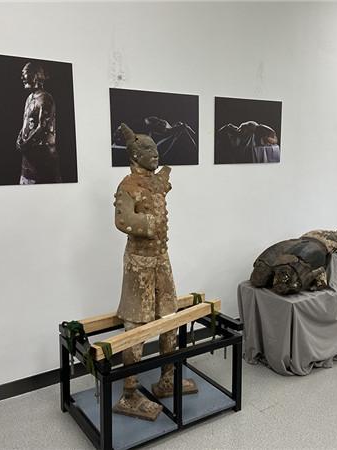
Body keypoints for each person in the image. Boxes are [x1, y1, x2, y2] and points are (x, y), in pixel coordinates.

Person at [112, 123, 197, 421]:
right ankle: (129, 393)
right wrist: (149, 224)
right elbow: (122, 220)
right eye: (148, 149)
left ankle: (167, 378)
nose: (155, 153)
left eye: (156, 148)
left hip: (161, 259)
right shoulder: (127, 185)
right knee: (136, 325)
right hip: (139, 263)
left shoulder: (157, 181)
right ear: (135, 155)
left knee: (169, 317)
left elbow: (162, 180)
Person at [15, 62, 61, 184]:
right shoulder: (30, 98)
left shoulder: (45, 98)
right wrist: (20, 139)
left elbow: (43, 127)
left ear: (36, 76)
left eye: (25, 74)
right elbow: (26, 122)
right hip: (28, 161)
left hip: (43, 160)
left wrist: (25, 144)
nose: (22, 78)